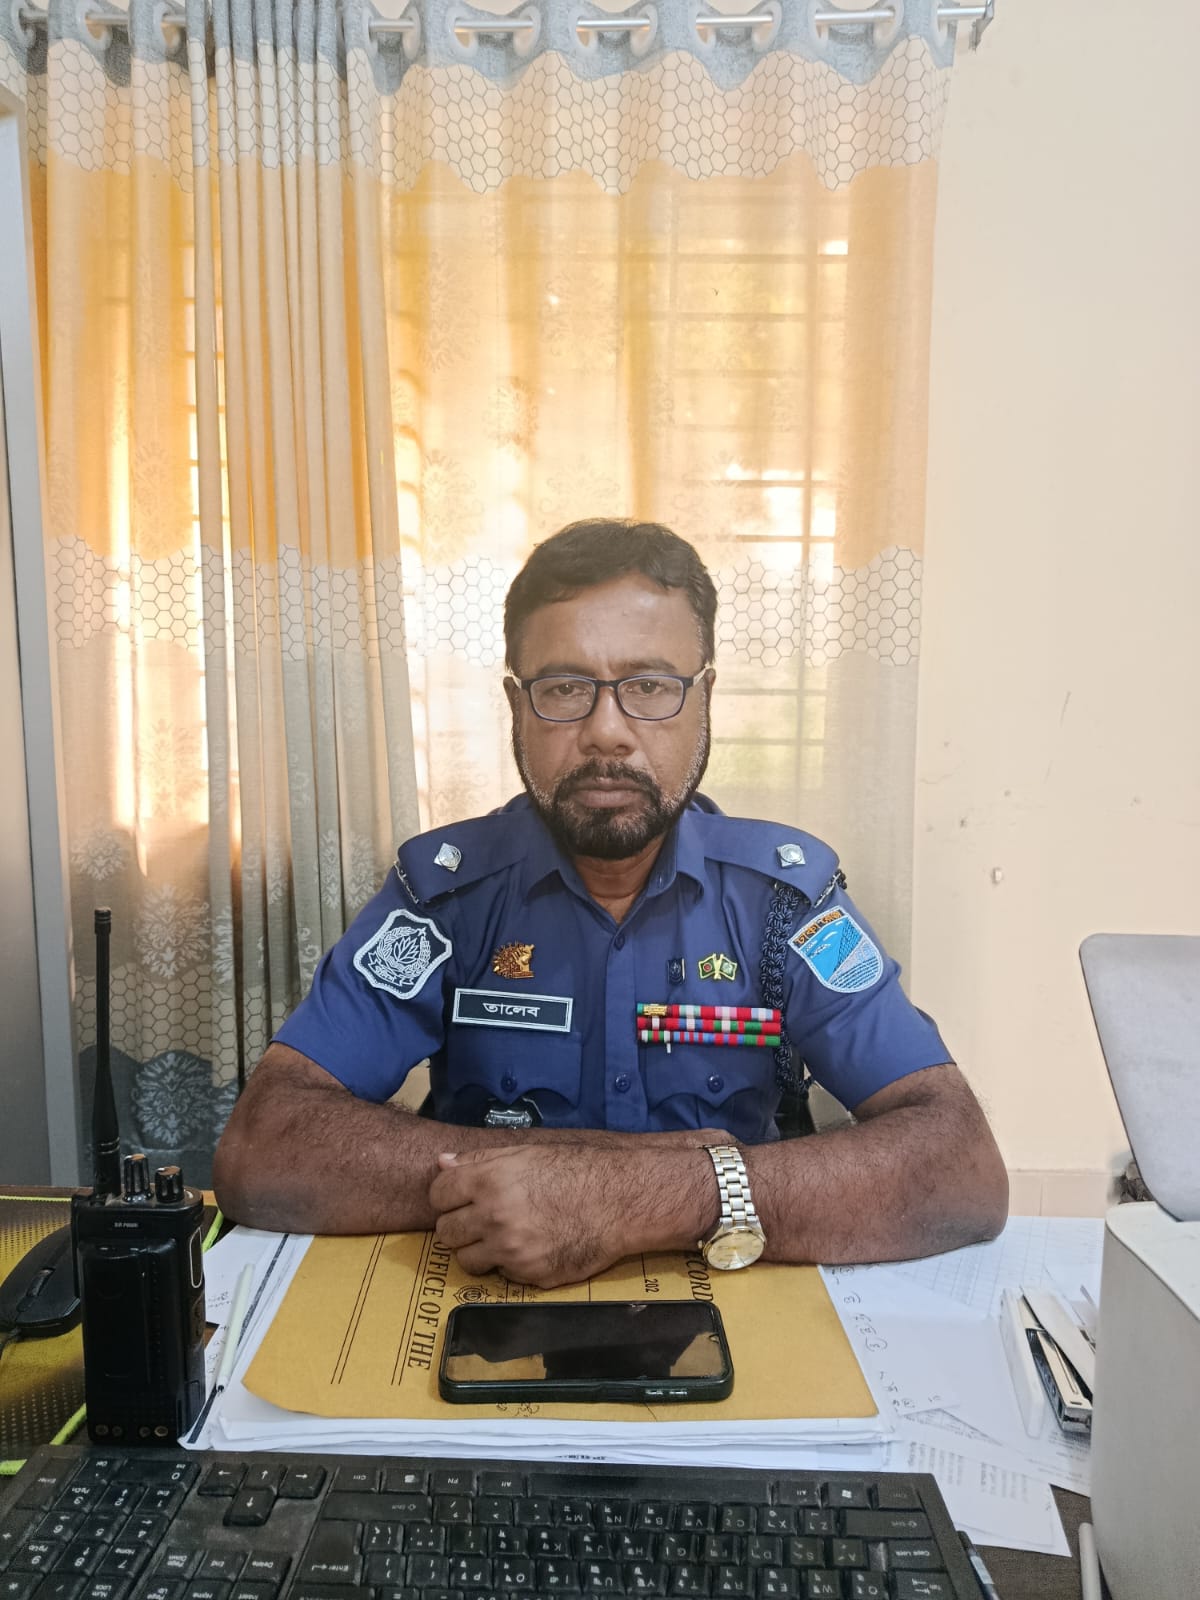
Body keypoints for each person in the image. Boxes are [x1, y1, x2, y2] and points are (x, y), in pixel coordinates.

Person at [213, 520, 1008, 1286]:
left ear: (705, 699)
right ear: (516, 706)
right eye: (564, 688)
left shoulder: (782, 902)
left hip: (737, 1303)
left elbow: (958, 1166)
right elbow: (266, 1147)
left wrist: (651, 1195)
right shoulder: (446, 896)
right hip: (488, 1306)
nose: (607, 732)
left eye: (650, 687)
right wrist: (548, 1181)